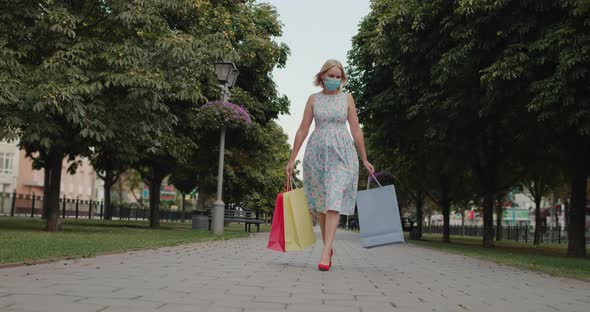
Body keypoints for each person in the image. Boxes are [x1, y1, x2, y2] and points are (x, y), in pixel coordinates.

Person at [285, 59, 374, 271]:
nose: (334, 79)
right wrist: (292, 159)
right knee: (321, 204)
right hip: (316, 155)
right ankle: (328, 247)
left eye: (338, 76)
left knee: (334, 197)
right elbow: (302, 129)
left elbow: (356, 130)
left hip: (343, 154)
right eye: (331, 75)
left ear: (341, 79)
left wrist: (364, 158)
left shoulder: (347, 99)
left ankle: (325, 252)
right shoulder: (313, 99)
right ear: (322, 76)